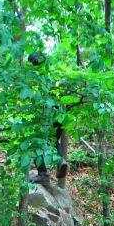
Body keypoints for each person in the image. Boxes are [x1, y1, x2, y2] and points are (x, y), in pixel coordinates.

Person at [27, 52, 68, 188]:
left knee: (34, 144)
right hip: (61, 115)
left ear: (35, 62)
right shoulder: (54, 72)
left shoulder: (39, 77)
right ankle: (61, 160)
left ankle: (43, 174)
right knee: (55, 140)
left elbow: (38, 100)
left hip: (48, 116)